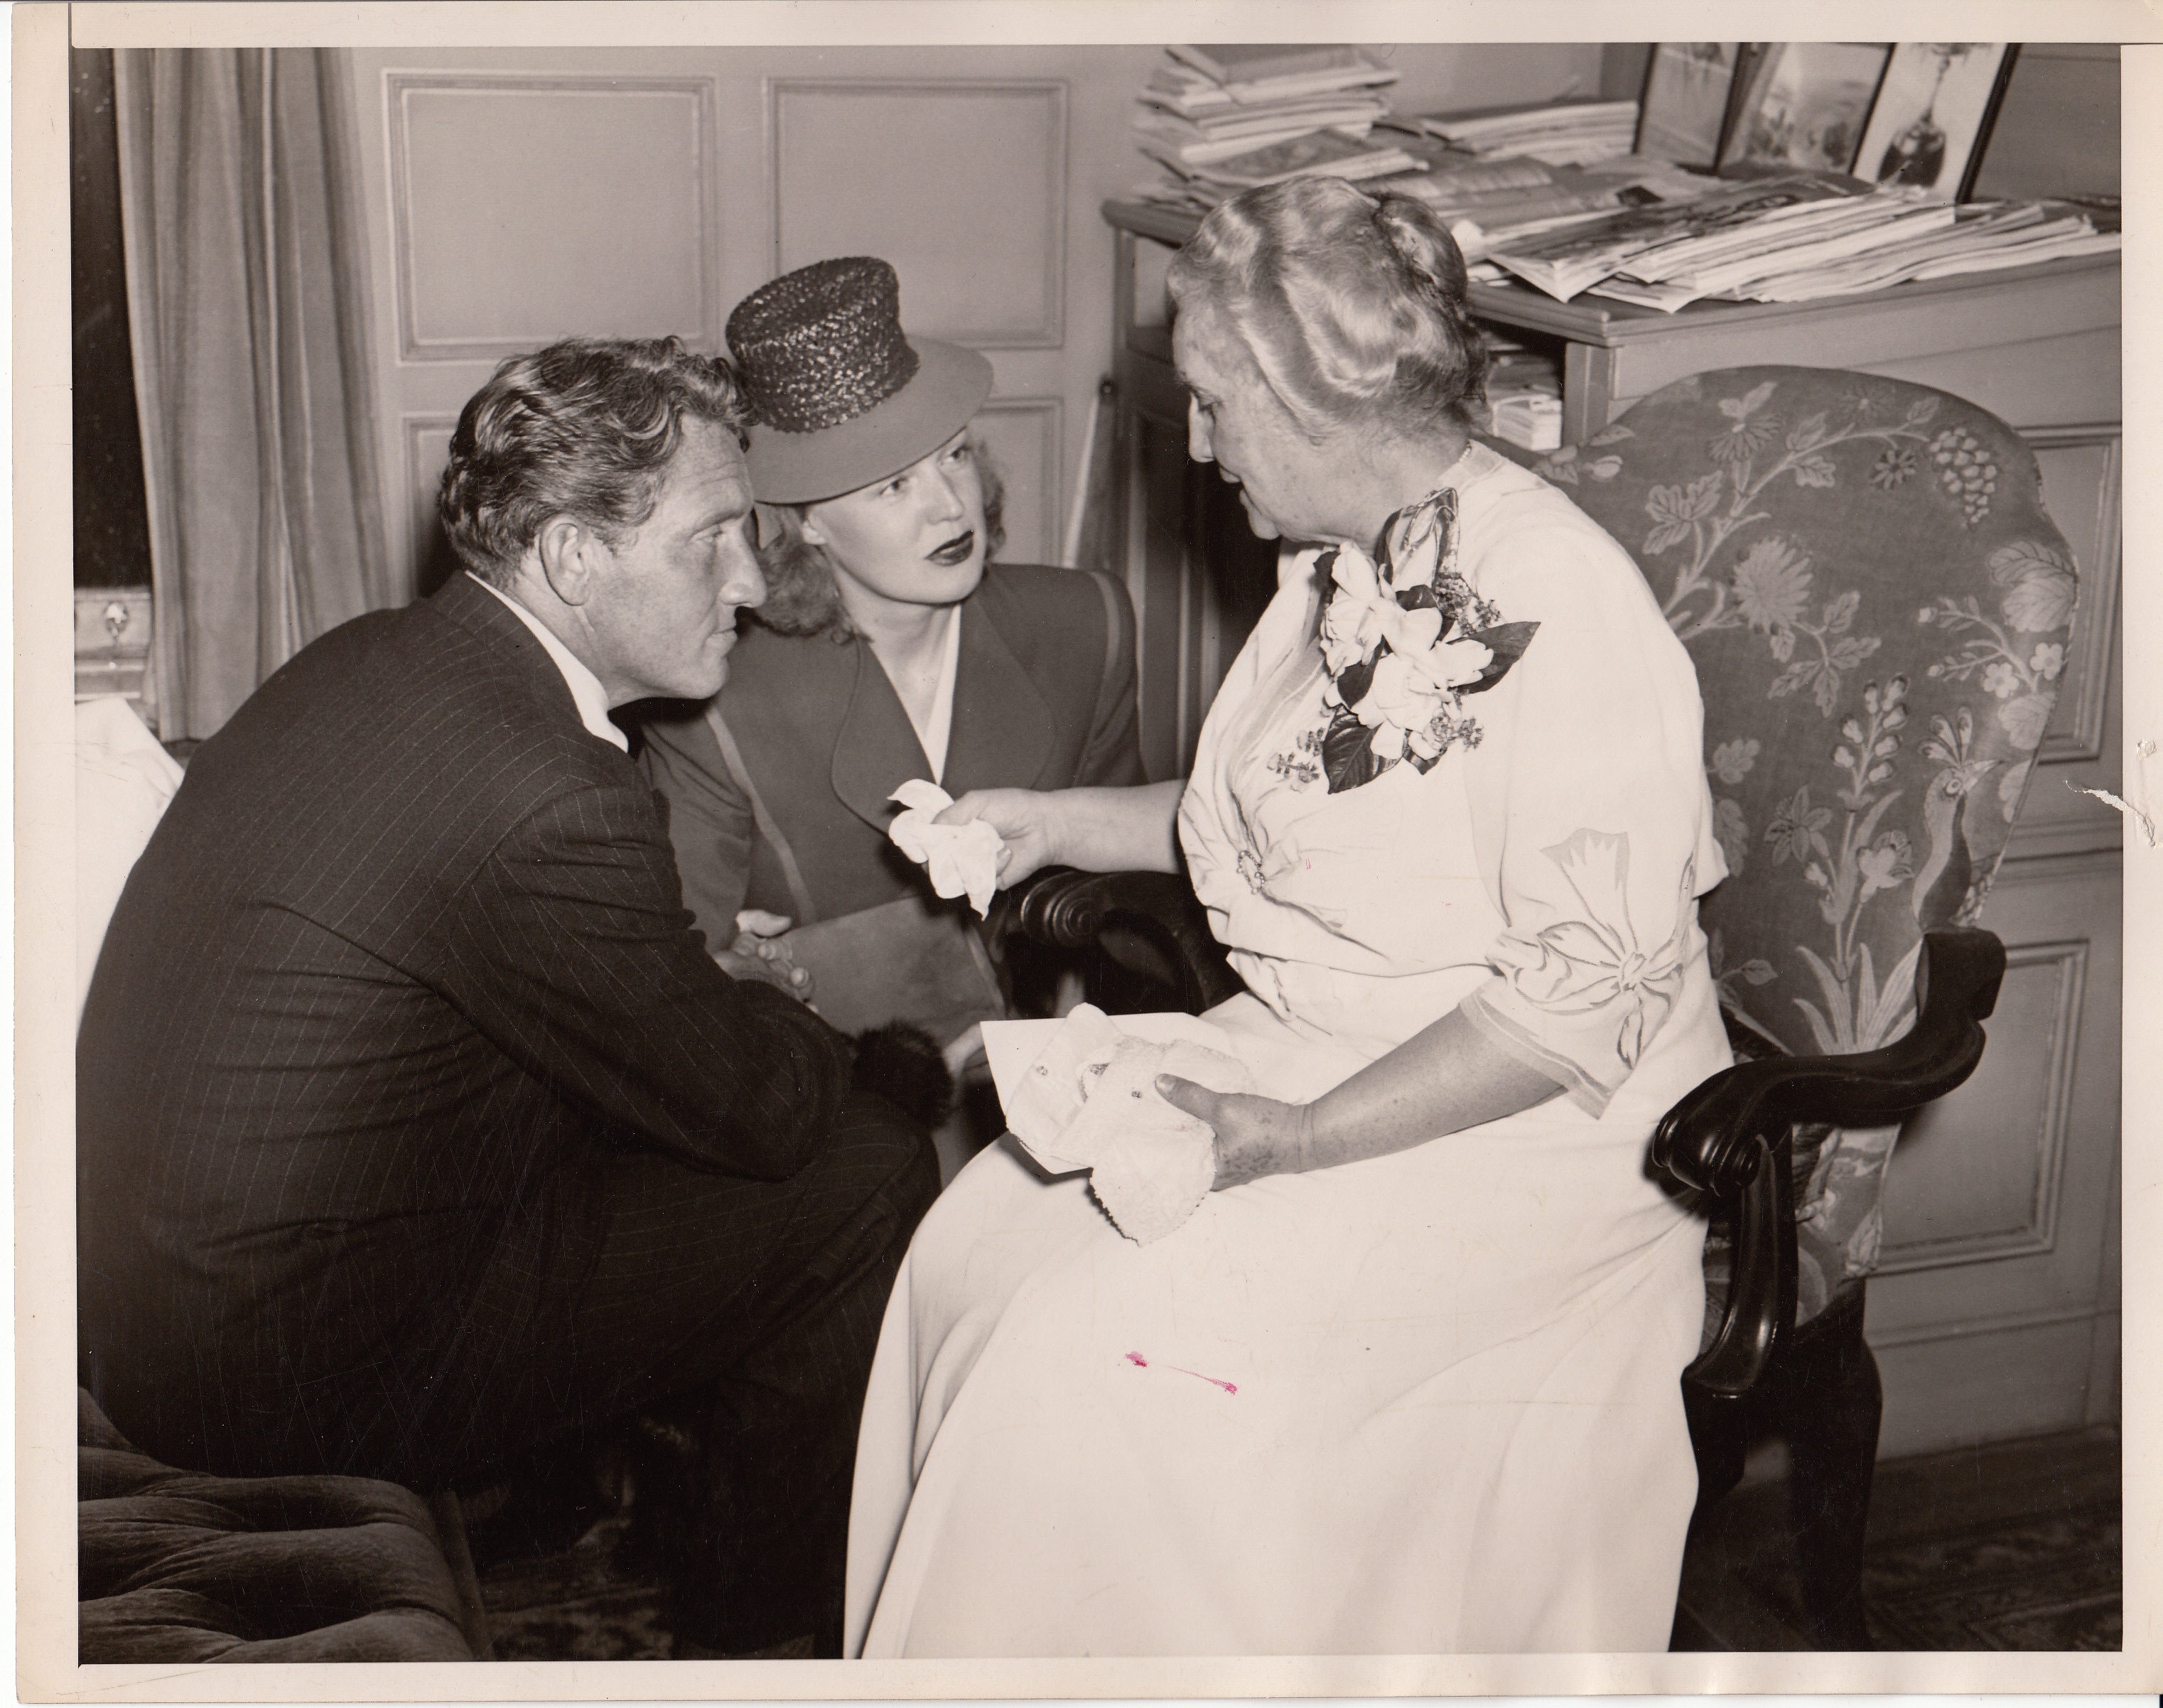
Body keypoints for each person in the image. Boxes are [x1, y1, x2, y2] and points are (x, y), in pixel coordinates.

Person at [841, 178, 1736, 1656]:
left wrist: (1294, 1140)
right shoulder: (1341, 561)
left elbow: (1573, 1005)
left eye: (1212, 405)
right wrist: (1047, 821)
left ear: (1311, 401)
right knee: (977, 1239)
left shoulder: (1566, 601)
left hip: (1532, 1117)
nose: (1195, 445)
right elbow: (1275, 820)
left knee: (1085, 1352)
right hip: (1321, 1052)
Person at [75, 336, 942, 1658]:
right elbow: (765, 1116)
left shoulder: (381, 655)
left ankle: (622, 1516)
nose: (753, 582)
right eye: (712, 539)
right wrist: (813, 1021)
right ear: (574, 558)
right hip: (266, 1375)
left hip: (163, 1309)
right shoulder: (551, 790)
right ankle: (765, 1647)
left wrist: (698, 993)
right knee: (864, 1166)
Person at [638, 257, 1145, 1176]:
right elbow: (683, 973)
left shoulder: (1085, 623)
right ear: (804, 523)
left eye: (953, 455)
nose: (950, 506)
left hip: (1060, 1086)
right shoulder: (714, 697)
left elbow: (1129, 903)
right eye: (892, 486)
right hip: (827, 1120)